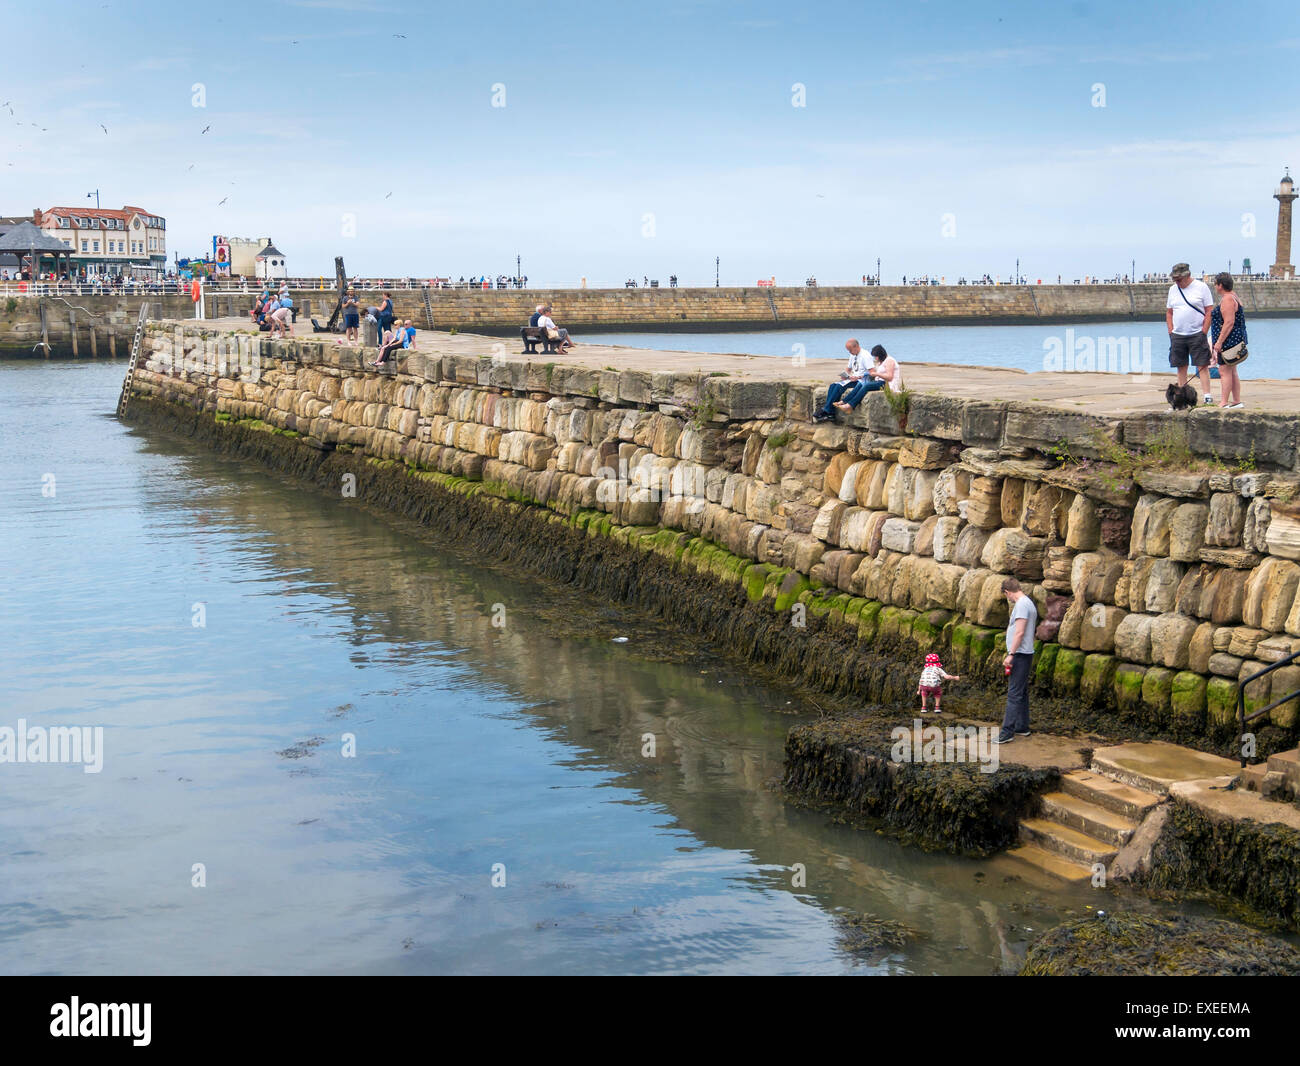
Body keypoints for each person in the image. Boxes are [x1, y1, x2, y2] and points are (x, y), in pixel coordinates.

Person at [995, 578, 1038, 745]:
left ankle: (1007, 732)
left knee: (1013, 694)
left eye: (1006, 596)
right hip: (1025, 653)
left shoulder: (1021, 605)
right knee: (1021, 691)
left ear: (1007, 592)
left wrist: (1011, 654)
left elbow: (1019, 632)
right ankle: (1022, 726)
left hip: (1019, 654)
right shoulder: (1028, 603)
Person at [1166, 262, 1214, 404]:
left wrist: (1204, 331)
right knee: (1181, 366)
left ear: (1187, 276)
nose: (1177, 282)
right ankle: (1182, 397)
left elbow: (1209, 311)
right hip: (1178, 335)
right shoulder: (1172, 290)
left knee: (1202, 365)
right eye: (1175, 280)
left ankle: (1207, 396)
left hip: (1197, 334)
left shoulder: (1202, 288)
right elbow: (1169, 312)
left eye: (1179, 279)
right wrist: (1171, 332)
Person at [813, 338, 874, 422]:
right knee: (833, 385)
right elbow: (848, 368)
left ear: (856, 346)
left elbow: (872, 372)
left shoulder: (865, 355)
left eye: (850, 350)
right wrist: (845, 375)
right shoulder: (853, 355)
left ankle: (826, 410)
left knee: (839, 387)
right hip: (852, 378)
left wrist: (858, 377)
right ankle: (830, 412)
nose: (849, 352)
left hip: (861, 381)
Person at [1210, 272, 1246, 409]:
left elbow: (1229, 322)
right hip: (1235, 339)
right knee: (1232, 370)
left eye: (1215, 284)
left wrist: (1219, 342)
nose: (1214, 287)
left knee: (1224, 371)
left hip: (1229, 341)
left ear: (1220, 285)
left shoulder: (1227, 299)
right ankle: (1236, 401)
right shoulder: (1233, 296)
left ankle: (1224, 402)